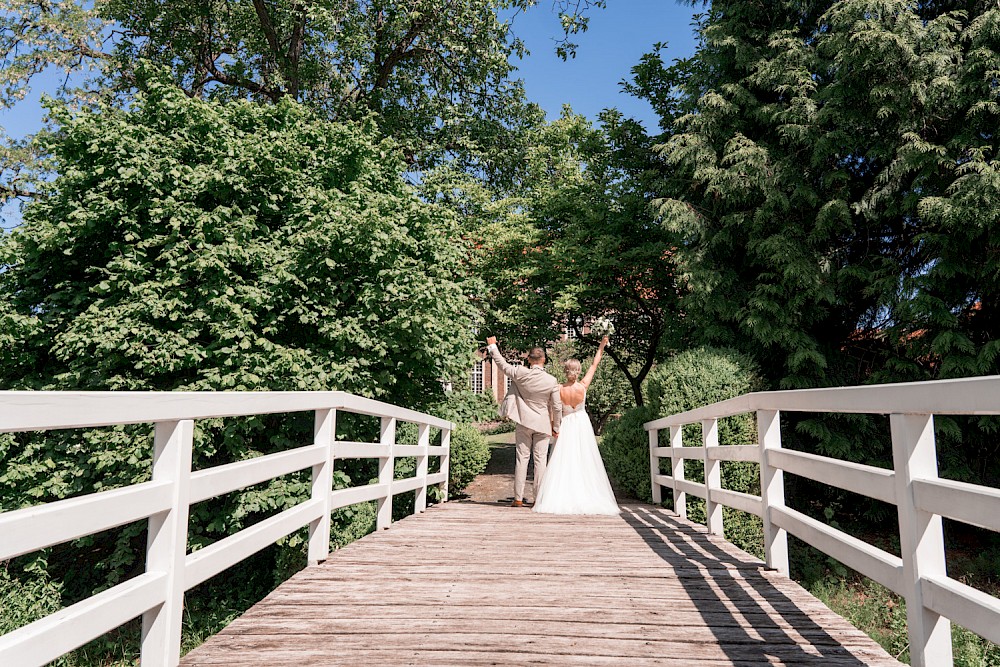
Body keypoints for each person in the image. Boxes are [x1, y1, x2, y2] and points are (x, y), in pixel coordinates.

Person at [532, 336, 619, 515]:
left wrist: (553, 427)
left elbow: (553, 409)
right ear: (578, 371)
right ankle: (585, 492)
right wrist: (602, 345)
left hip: (565, 425)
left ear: (565, 371)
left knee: (563, 460)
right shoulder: (583, 386)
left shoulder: (558, 388)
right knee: (584, 458)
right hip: (581, 424)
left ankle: (561, 494)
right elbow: (595, 364)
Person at [485, 336, 562, 507]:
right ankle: (538, 498)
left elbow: (502, 364)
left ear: (529, 359)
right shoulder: (551, 381)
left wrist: (493, 346)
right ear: (544, 360)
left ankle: (518, 498)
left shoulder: (520, 373)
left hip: (523, 421)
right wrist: (556, 426)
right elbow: (556, 406)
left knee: (522, 459)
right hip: (542, 424)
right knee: (540, 461)